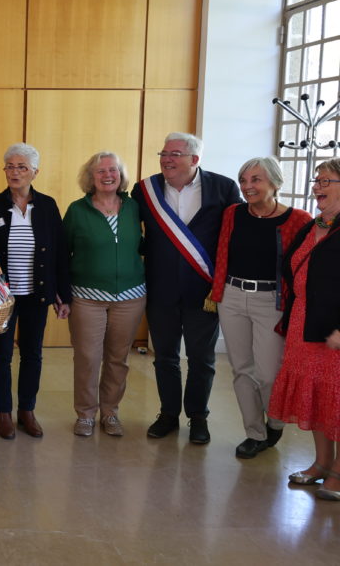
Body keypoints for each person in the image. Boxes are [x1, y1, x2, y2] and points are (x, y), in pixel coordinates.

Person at [131, 132, 241, 444]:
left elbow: (235, 236)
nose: (166, 159)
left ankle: (198, 417)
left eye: (174, 154)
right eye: (163, 153)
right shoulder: (145, 190)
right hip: (160, 289)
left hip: (204, 292)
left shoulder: (223, 187)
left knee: (201, 358)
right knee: (164, 356)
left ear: (194, 159)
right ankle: (168, 414)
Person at [210, 157, 310, 459]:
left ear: (275, 184)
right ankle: (254, 432)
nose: (247, 186)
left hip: (273, 301)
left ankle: (275, 421)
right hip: (232, 295)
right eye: (243, 180)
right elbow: (222, 252)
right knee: (242, 370)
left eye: (256, 180)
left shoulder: (299, 219)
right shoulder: (233, 213)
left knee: (268, 372)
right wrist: (218, 292)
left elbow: (307, 263)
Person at [0, 143, 69, 440]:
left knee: (32, 354)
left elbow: (60, 252)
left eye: (21, 167)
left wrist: (62, 294)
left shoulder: (48, 205)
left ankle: (27, 410)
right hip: (2, 296)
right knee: (1, 355)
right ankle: (4, 412)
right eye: (10, 167)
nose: (14, 172)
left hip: (36, 294)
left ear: (35, 172)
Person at [268, 159, 340, 501]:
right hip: (305, 324)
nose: (317, 187)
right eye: (316, 180)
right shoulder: (312, 226)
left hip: (336, 331)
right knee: (318, 399)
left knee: (337, 401)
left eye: (326, 181)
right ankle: (322, 464)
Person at [62, 152, 146, 437]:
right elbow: (63, 253)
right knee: (87, 357)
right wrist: (61, 294)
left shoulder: (135, 208)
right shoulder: (77, 210)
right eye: (101, 171)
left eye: (113, 170)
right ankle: (85, 414)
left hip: (131, 296)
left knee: (117, 358)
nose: (108, 175)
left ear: (121, 176)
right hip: (86, 296)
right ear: (91, 177)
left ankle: (110, 412)